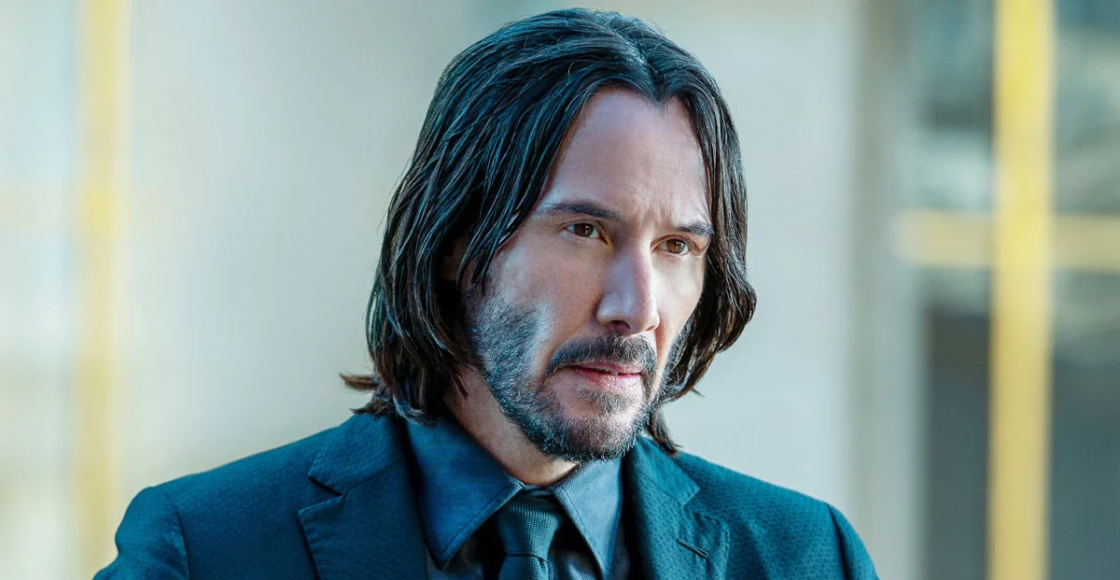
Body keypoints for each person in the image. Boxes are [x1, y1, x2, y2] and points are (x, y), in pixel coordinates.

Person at [97, 8, 877, 579]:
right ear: (454, 242)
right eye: (585, 231)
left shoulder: (806, 558)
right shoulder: (207, 549)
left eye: (677, 247)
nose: (638, 308)